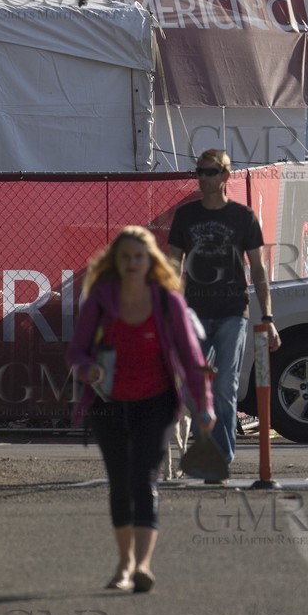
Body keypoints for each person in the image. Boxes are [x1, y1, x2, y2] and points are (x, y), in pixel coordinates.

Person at [68, 226, 214, 594]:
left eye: (139, 256)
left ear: (151, 261)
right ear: (114, 263)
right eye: (125, 257)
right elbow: (76, 352)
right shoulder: (101, 299)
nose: (132, 263)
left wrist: (205, 408)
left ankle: (144, 564)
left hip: (157, 403)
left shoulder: (167, 302)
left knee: (144, 478)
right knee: (120, 481)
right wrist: (89, 370)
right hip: (108, 403)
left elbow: (192, 358)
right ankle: (124, 564)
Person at [166, 149, 277, 479]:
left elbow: (258, 270)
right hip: (194, 313)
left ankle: (219, 458)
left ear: (226, 176)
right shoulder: (186, 216)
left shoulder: (243, 217)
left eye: (210, 172)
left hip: (232, 312)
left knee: (226, 387)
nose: (202, 177)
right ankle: (203, 447)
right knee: (192, 388)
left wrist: (268, 319)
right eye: (199, 171)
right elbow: (173, 264)